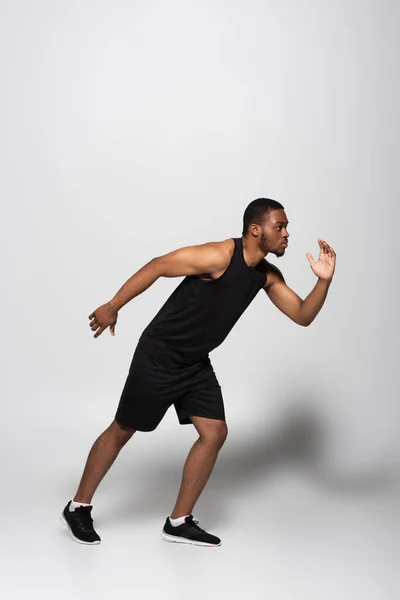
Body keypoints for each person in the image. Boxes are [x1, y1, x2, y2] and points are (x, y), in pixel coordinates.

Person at [61, 198, 336, 547]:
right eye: (279, 227)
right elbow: (159, 265)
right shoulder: (219, 256)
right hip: (159, 355)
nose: (286, 235)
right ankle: (78, 506)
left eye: (286, 228)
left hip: (194, 363)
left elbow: (302, 314)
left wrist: (323, 282)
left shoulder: (266, 275)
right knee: (123, 429)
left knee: (214, 432)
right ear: (256, 230)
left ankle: (178, 521)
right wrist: (113, 306)